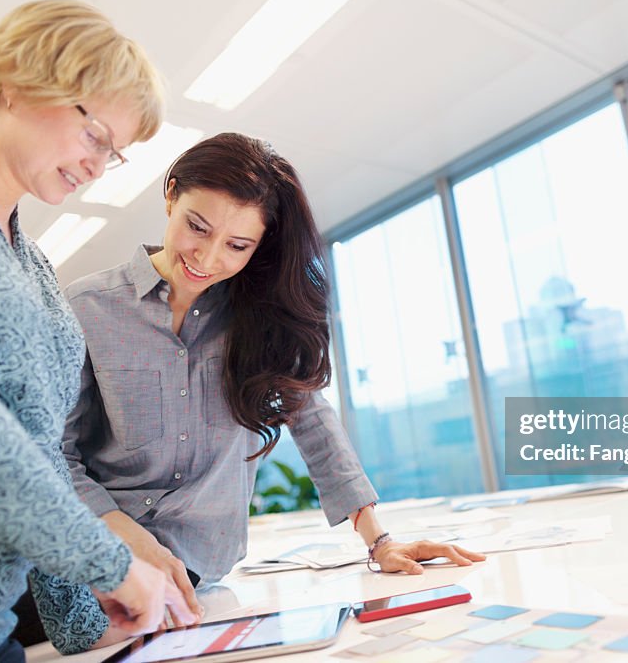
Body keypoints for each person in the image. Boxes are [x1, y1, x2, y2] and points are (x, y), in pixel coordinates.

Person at [62, 132, 486, 626]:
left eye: (237, 245)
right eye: (197, 227)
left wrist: (380, 541)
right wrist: (128, 539)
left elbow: (315, 425)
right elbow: (57, 453)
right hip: (91, 560)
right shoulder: (85, 306)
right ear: (171, 194)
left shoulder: (259, 320)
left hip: (197, 578)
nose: (207, 257)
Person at [0, 0, 197, 662]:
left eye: (114, 153)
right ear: (16, 81)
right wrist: (111, 564)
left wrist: (83, 619)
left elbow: (38, 455)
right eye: (95, 135)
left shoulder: (35, 270)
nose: (99, 163)